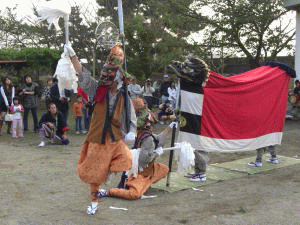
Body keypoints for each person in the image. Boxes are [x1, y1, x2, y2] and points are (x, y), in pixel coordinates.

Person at [64, 43, 137, 215]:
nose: (114, 78)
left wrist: (132, 129)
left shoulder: (123, 93)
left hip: (115, 136)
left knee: (127, 158)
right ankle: (94, 202)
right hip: (98, 137)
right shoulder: (98, 89)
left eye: (117, 75)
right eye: (112, 74)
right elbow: (82, 74)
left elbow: (130, 112)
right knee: (95, 175)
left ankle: (108, 176)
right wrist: (73, 56)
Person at [98, 98, 177, 200]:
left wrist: (169, 128)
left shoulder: (146, 135)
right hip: (140, 172)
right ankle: (108, 192)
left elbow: (159, 140)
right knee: (134, 194)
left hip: (149, 171)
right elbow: (142, 162)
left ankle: (145, 184)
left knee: (165, 169)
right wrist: (156, 154)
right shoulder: (146, 138)